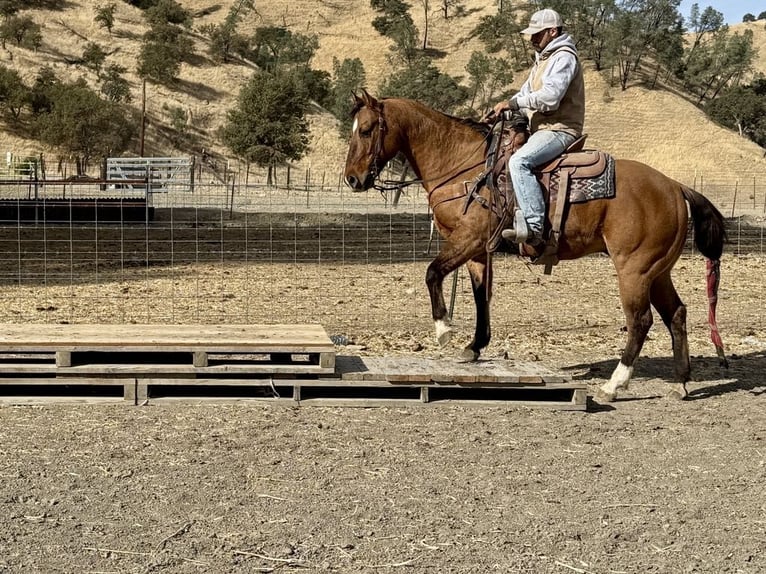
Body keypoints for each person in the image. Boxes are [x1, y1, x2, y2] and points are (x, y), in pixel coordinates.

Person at [493, 8, 585, 249]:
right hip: (543, 129)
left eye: (537, 34)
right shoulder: (543, 60)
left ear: (552, 31)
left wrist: (513, 104)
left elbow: (550, 97)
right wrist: (503, 109)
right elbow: (524, 94)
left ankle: (534, 227)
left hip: (560, 129)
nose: (532, 39)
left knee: (519, 162)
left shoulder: (564, 57)